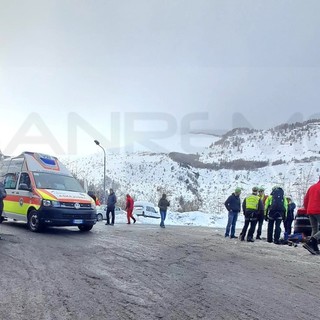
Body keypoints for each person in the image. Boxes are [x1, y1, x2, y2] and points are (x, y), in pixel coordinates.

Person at [302, 177, 320, 254]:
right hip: (318, 210)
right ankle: (312, 241)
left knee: (314, 229)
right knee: (315, 230)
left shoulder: (312, 187)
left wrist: (307, 210)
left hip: (310, 210)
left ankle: (314, 248)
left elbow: (306, 199)